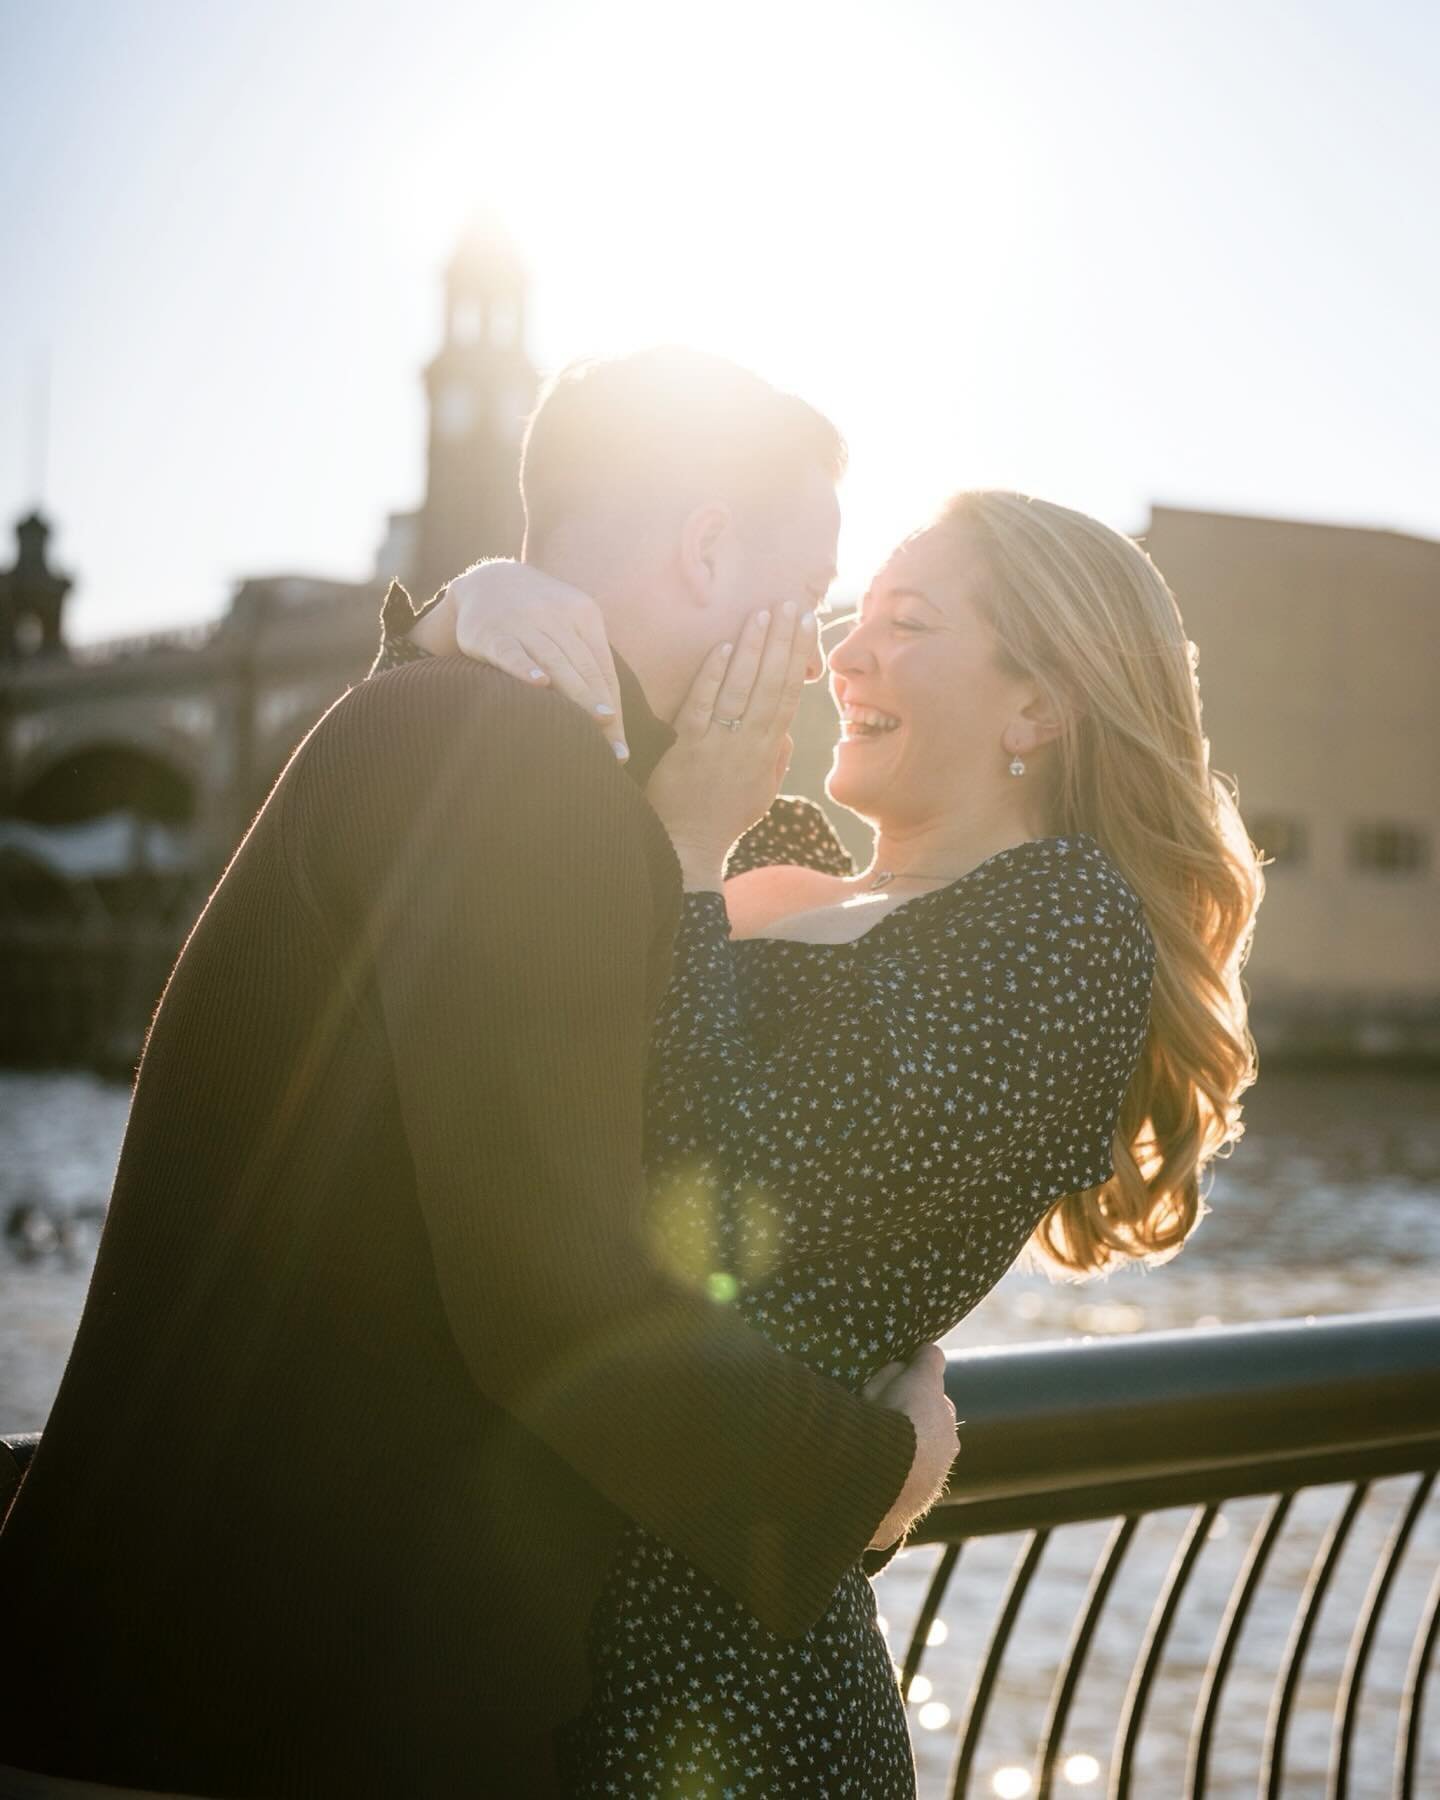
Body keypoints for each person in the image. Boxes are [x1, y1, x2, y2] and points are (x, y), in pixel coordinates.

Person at [0, 351, 960, 1800]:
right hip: (240, 1723)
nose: (824, 656)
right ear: (706, 549)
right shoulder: (508, 768)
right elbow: (548, 1288)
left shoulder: (470, 742)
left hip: (180, 1693)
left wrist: (439, 622)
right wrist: (868, 1476)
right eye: (811, 592)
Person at [394, 484, 1264, 1795]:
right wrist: (466, 622)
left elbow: (706, 1188)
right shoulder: (774, 854)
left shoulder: (1064, 926)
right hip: (499, 1617)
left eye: (904, 624)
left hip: (715, 1667)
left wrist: (684, 850)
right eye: (855, 615)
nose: (839, 653)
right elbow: (454, 956)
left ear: (1038, 704)